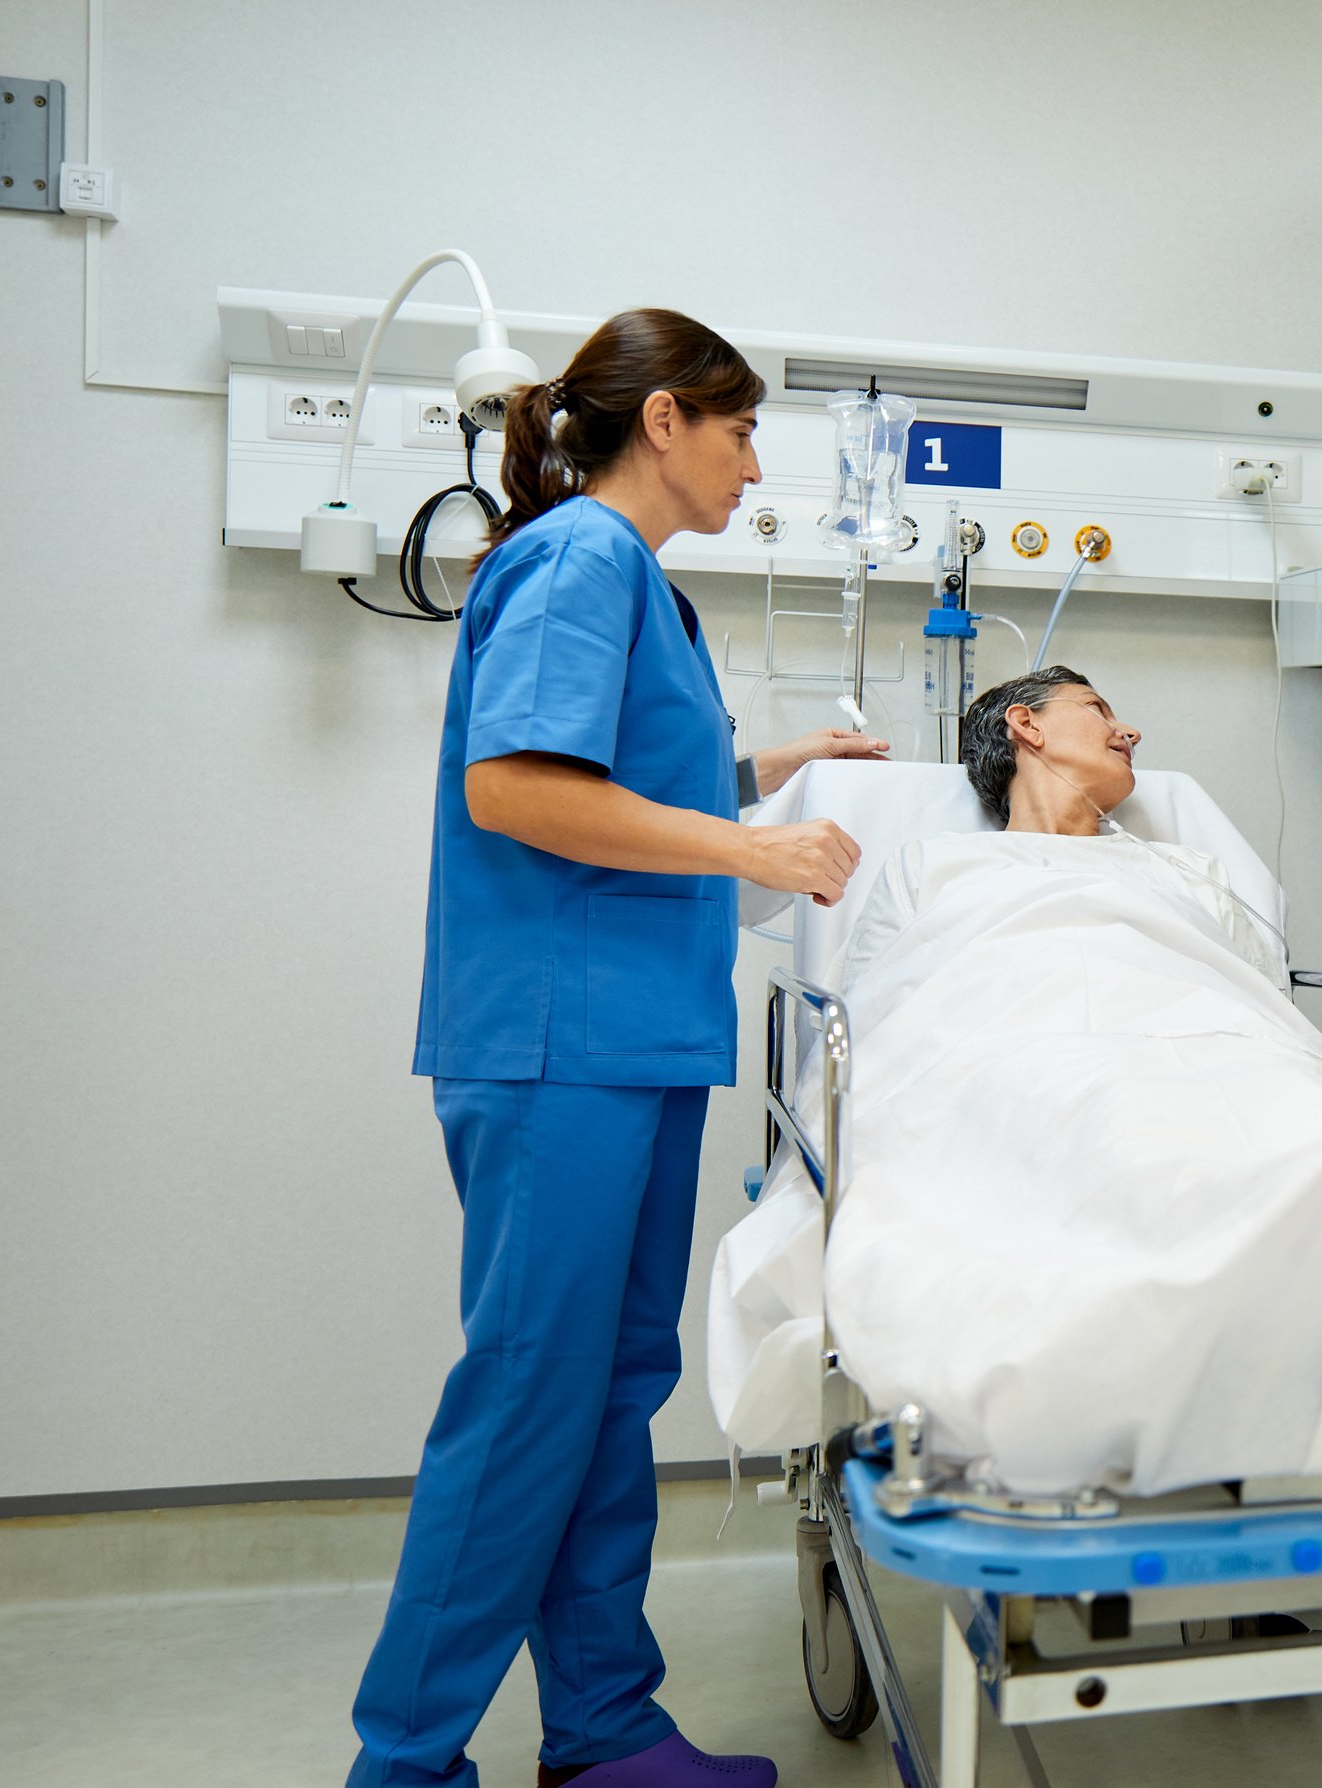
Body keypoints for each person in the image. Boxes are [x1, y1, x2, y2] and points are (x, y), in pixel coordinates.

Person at [349, 308, 888, 1788]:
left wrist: (772, 769)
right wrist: (751, 852)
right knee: (531, 1393)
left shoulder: (635, 583)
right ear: (665, 422)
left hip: (631, 1042)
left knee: (604, 1392)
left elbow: (628, 775)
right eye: (739, 429)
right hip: (555, 1045)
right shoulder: (581, 557)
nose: (753, 463)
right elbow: (519, 788)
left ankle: (600, 1726)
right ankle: (404, 1758)